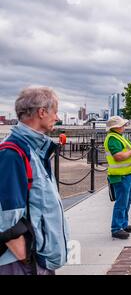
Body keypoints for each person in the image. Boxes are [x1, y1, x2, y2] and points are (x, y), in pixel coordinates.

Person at [0, 86, 69, 275]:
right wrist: (26, 256)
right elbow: (6, 217)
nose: (57, 117)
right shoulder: (12, 153)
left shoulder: (31, 150)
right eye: (55, 111)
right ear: (41, 112)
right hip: (23, 262)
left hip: (35, 258)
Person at [104, 116, 131, 240]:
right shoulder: (112, 139)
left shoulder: (117, 137)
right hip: (120, 175)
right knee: (121, 202)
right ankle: (116, 228)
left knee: (127, 201)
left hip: (126, 174)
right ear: (115, 127)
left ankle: (123, 224)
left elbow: (124, 153)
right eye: (122, 125)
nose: (124, 127)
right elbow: (118, 156)